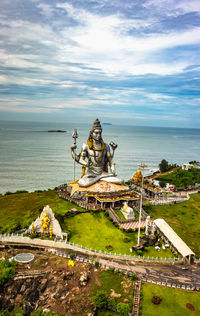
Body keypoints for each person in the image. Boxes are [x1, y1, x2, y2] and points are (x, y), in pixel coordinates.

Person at [71, 118, 123, 187]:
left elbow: (110, 160)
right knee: (82, 183)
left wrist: (112, 168)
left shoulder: (105, 146)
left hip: (103, 173)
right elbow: (80, 159)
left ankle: (100, 177)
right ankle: (99, 178)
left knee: (121, 181)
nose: (98, 135)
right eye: (96, 133)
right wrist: (86, 164)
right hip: (91, 174)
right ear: (91, 133)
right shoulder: (86, 146)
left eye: (100, 133)